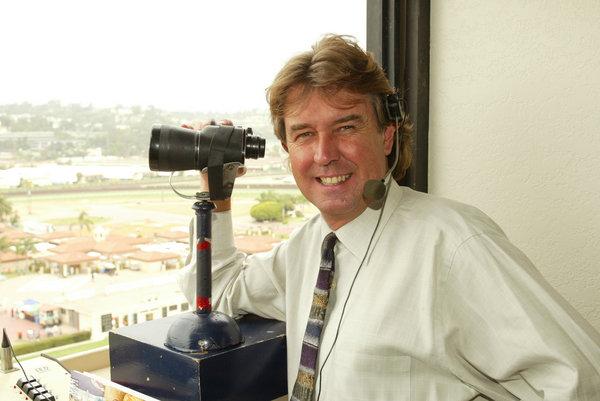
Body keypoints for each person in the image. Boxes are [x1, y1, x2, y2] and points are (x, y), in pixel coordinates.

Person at [179, 35, 600, 400]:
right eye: (304, 134)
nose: (325, 154)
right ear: (290, 151)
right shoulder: (308, 249)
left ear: (387, 135)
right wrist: (216, 191)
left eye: (346, 127)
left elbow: (581, 382)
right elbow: (220, 287)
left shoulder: (452, 246)